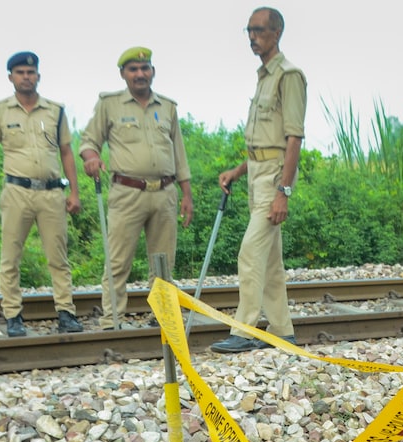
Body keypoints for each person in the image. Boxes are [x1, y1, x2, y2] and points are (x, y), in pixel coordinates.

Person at [210, 7, 305, 354]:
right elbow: (264, 143)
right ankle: (283, 332)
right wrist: (238, 171)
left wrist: (284, 191)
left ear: (277, 32)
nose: (252, 37)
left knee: (250, 253)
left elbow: (293, 138)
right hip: (257, 174)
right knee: (269, 263)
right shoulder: (263, 76)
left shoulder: (289, 75)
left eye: (259, 30)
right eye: (248, 30)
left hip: (273, 180)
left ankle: (245, 329)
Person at [80, 47, 193, 328]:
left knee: (163, 263)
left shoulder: (167, 107)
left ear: (153, 71)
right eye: (133, 69)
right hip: (127, 192)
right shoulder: (109, 104)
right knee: (118, 261)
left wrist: (186, 194)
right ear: (123, 74)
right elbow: (88, 141)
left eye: (145, 68)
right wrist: (91, 158)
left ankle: (163, 317)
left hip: (165, 192)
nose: (140, 74)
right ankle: (113, 320)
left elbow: (179, 154)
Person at [0, 51, 83, 337]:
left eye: (31, 72)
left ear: (39, 76)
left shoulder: (55, 110)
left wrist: (74, 191)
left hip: (50, 193)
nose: (27, 77)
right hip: (16, 192)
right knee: (10, 256)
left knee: (58, 257)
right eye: (21, 72)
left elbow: (66, 152)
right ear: (11, 77)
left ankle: (65, 312)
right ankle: (13, 315)